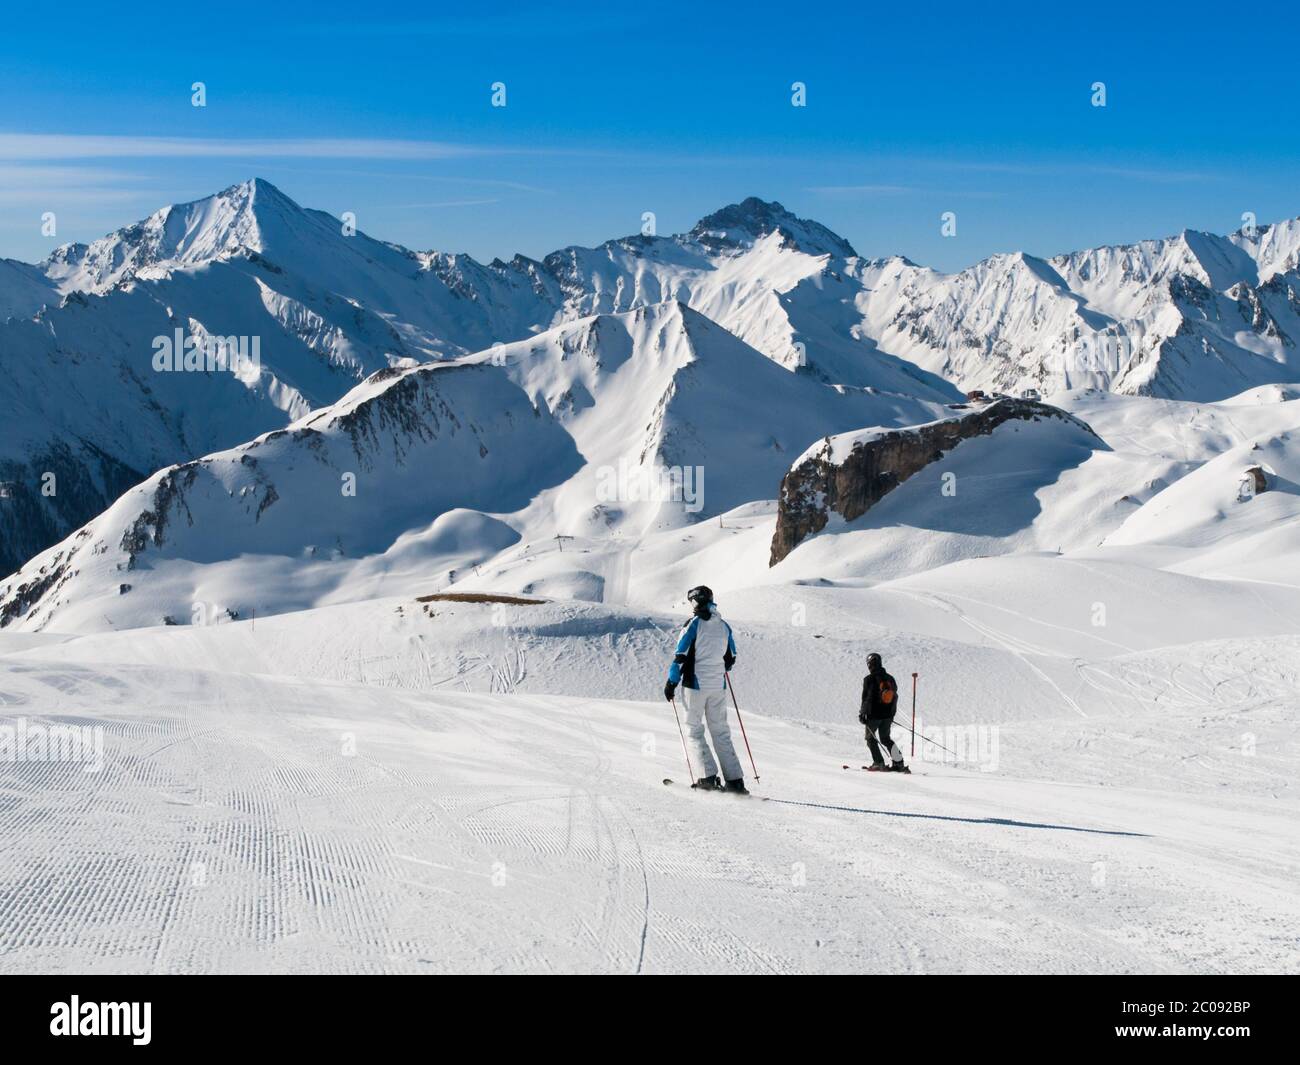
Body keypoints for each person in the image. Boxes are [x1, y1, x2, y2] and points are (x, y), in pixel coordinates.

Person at [663, 585, 747, 794]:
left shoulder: (693, 625)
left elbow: (680, 656)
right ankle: (735, 781)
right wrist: (717, 669)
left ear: (695, 602)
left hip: (695, 685)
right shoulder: (723, 626)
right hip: (717, 686)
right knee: (720, 731)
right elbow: (731, 658)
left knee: (693, 729)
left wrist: (671, 683)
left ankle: (707, 778)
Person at [860, 652, 910, 773]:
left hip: (873, 716)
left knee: (870, 739)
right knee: (886, 739)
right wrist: (891, 715)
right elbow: (894, 696)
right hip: (887, 716)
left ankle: (878, 763)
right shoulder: (890, 678)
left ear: (869, 664)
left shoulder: (869, 679)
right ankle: (899, 763)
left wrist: (863, 713)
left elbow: (867, 698)